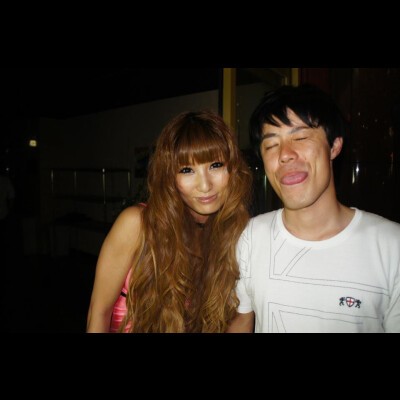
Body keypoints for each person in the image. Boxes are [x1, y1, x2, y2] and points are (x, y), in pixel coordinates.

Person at [228, 84, 400, 333]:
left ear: (334, 146)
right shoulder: (251, 236)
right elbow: (241, 322)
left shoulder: (391, 246)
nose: (285, 154)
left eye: (300, 138)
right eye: (271, 145)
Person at [86, 110, 252, 333]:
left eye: (215, 165)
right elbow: (99, 312)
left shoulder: (234, 234)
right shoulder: (137, 224)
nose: (205, 185)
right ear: (169, 177)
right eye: (187, 170)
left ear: (232, 169)